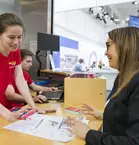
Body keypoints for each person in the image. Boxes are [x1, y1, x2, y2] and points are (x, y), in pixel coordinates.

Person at [66, 27, 139, 145]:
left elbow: (134, 141)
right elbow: (126, 117)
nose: (105, 52)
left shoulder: (136, 82)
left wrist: (89, 134)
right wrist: (103, 116)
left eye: (108, 45)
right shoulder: (123, 78)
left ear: (125, 46)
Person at [0, 13, 55, 121]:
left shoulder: (14, 52)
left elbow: (20, 79)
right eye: (11, 37)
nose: (16, 42)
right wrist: (5, 113)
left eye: (19, 37)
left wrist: (33, 107)